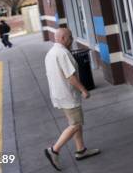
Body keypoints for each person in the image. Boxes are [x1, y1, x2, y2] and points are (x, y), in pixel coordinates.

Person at [44, 28, 100, 170]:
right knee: (75, 124)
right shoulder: (62, 53)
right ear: (63, 38)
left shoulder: (51, 53)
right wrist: (83, 90)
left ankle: (81, 150)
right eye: (70, 37)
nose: (72, 39)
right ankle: (54, 150)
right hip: (68, 95)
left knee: (76, 123)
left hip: (59, 94)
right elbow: (70, 76)